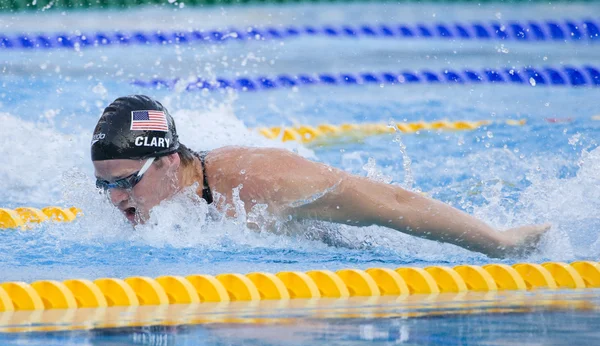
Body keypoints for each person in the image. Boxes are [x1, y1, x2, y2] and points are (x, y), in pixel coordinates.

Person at [92, 95, 550, 258]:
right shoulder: (145, 202)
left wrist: (498, 241)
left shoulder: (263, 182)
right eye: (106, 185)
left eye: (127, 182)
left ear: (170, 161)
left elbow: (389, 204)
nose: (116, 200)